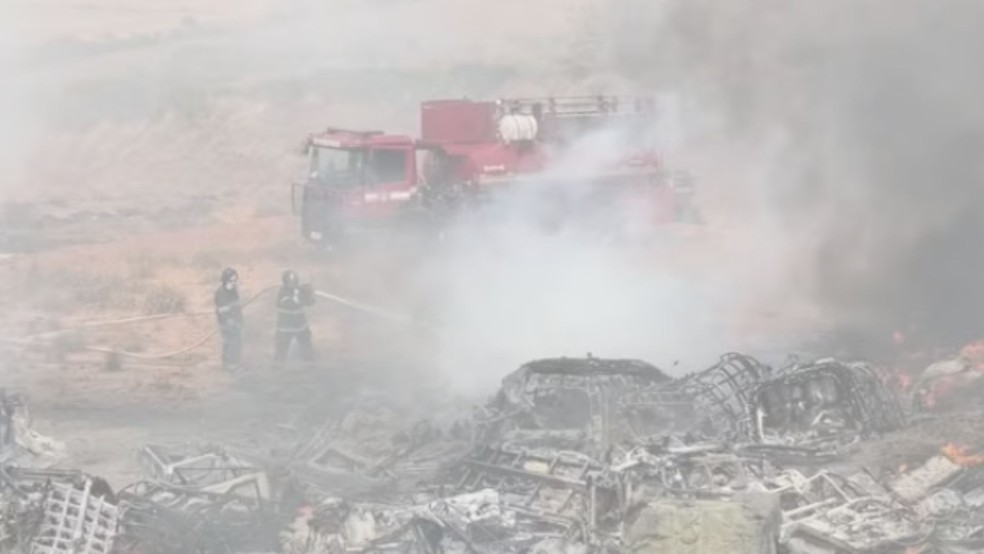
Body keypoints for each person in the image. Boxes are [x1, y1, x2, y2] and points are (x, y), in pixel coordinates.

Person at [274, 269, 315, 366]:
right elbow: (290, 304)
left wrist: (309, 293)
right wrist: (297, 297)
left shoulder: (299, 291)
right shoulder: (282, 293)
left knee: (307, 348)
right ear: (285, 282)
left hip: (301, 326)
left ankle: (310, 364)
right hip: (285, 328)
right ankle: (278, 367)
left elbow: (310, 302)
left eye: (294, 281)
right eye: (290, 282)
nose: (292, 283)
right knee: (280, 352)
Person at [214, 267, 244, 370]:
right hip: (226, 323)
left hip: (235, 321)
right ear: (225, 280)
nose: (234, 283)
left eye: (236, 280)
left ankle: (229, 363)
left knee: (234, 341)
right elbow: (222, 310)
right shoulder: (221, 292)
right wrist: (229, 321)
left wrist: (239, 320)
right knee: (232, 342)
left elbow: (236, 306)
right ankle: (231, 365)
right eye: (232, 280)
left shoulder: (233, 291)